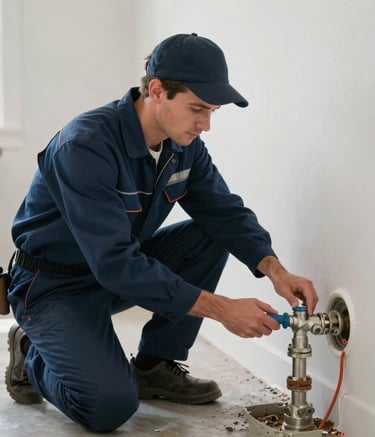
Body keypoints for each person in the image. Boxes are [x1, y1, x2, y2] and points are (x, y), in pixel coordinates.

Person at [5, 33, 318, 433]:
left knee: (210, 233)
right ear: (156, 90)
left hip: (111, 276)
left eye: (212, 112)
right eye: (197, 109)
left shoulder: (183, 145)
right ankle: (33, 355)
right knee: (110, 407)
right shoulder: (85, 146)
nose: (205, 125)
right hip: (52, 286)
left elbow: (224, 213)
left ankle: (155, 364)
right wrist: (222, 309)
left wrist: (277, 271)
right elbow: (116, 263)